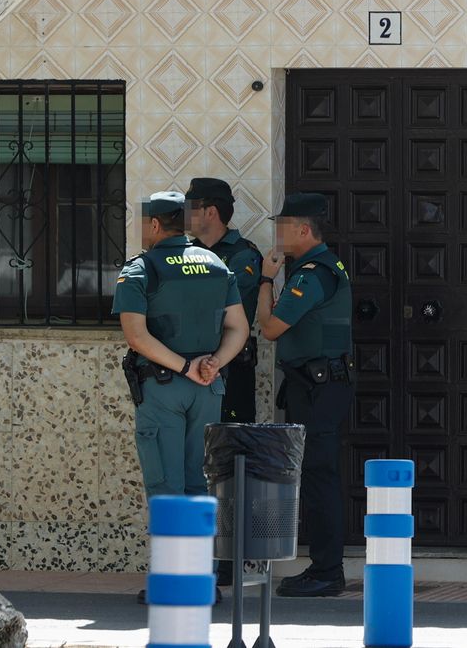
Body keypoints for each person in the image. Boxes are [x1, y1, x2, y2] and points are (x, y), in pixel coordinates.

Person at [114, 191, 248, 605]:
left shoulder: (140, 269)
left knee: (166, 484)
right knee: (199, 482)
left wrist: (184, 367)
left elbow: (136, 335)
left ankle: (172, 580)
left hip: (163, 390)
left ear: (155, 225)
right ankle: (202, 579)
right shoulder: (215, 263)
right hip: (208, 390)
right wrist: (213, 364)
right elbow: (239, 329)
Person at [254, 192, 354, 598]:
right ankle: (324, 567)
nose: (276, 233)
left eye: (282, 225)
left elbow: (271, 328)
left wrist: (265, 279)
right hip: (316, 386)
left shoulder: (313, 273)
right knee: (316, 477)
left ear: (303, 229)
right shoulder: (318, 268)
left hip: (319, 389)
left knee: (319, 479)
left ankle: (328, 571)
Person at [185, 177, 264, 424]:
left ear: (210, 212)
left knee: (231, 443)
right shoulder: (183, 253)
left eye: (190, 208)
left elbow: (223, 304)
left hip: (229, 365)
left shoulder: (243, 255)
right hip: (188, 361)